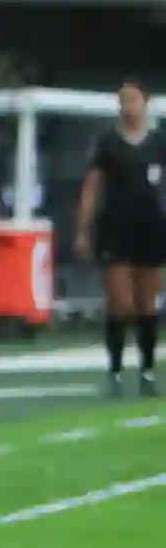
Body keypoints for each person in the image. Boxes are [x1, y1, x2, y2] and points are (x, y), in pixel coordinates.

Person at [75, 79, 166, 398]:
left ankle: (147, 369)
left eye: (133, 100)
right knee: (120, 303)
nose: (128, 107)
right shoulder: (108, 144)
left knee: (146, 303)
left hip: (152, 228)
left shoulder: (159, 141)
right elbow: (91, 187)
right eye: (123, 101)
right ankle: (115, 369)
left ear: (145, 103)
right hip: (114, 228)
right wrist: (83, 230)